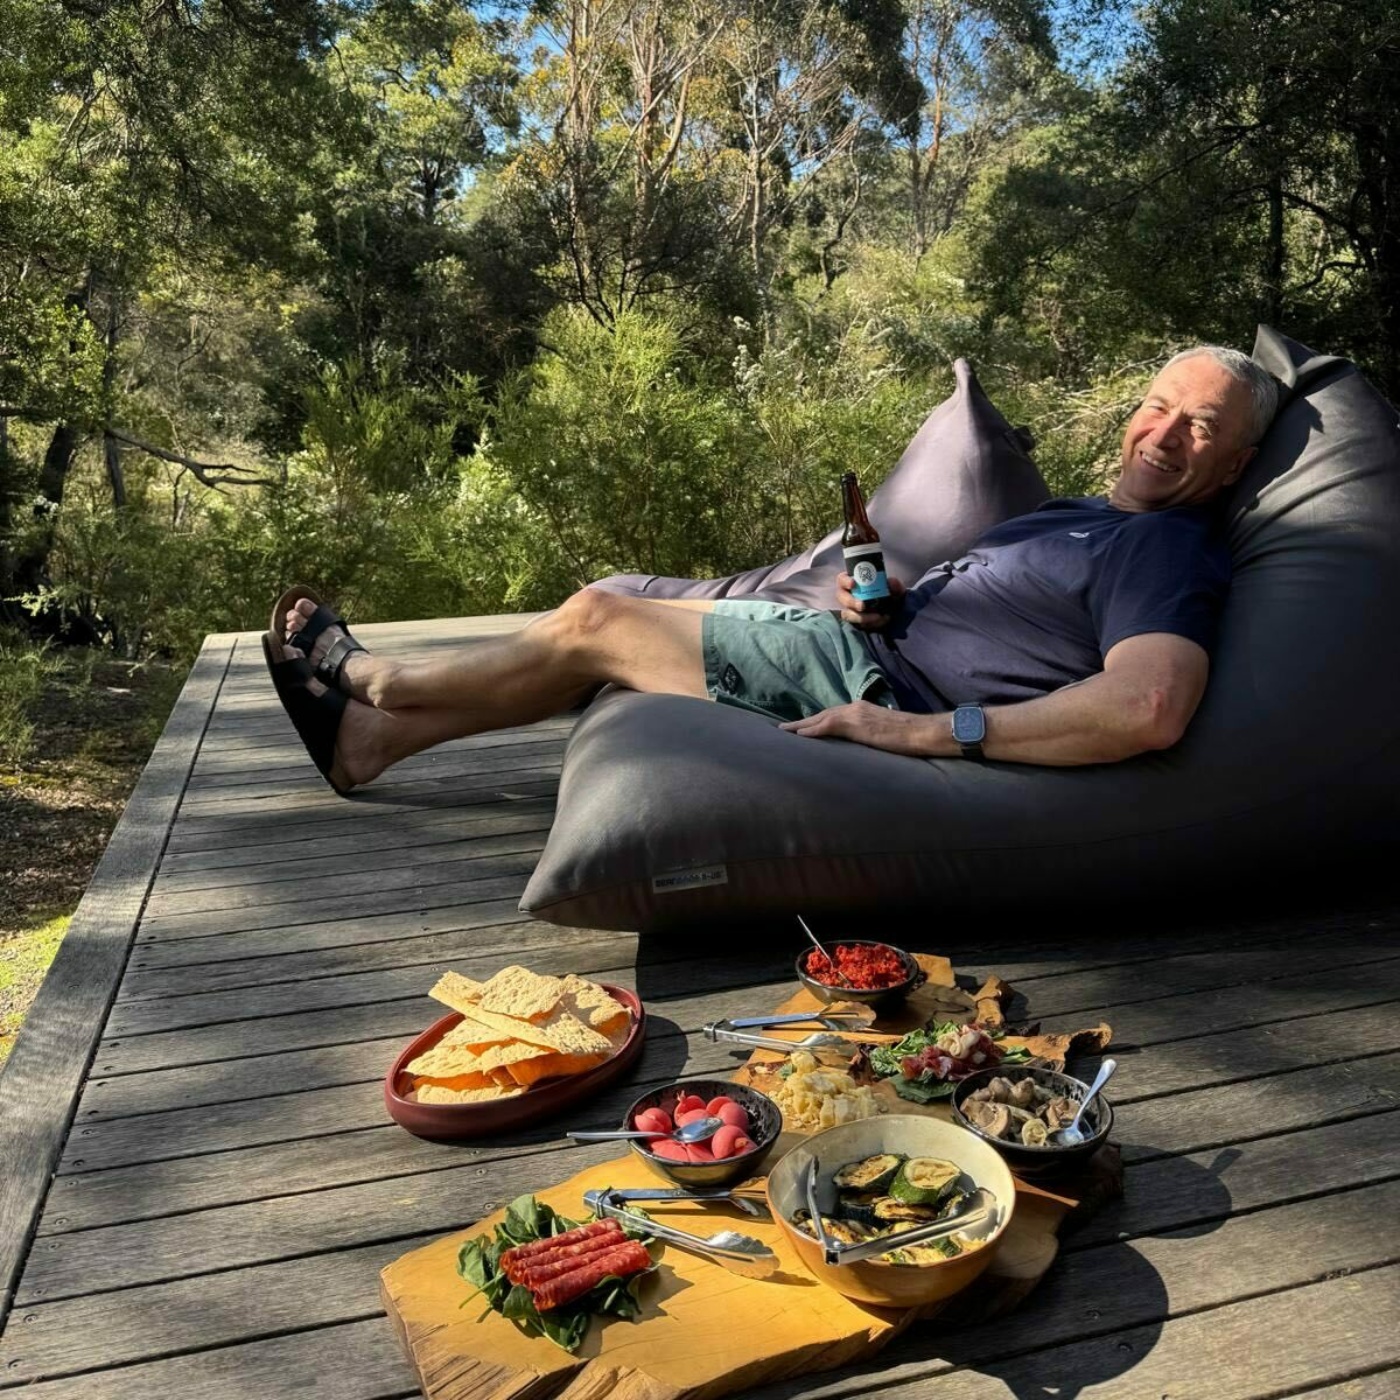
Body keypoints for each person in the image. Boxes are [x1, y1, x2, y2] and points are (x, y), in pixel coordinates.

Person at [262, 346, 1278, 795]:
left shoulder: (1165, 547)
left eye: (1200, 427)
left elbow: (1145, 705)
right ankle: (368, 744)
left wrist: (921, 729)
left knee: (598, 619)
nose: (1163, 433)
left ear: (1232, 464)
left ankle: (375, 681)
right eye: (1156, 404)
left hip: (877, 690)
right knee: (602, 626)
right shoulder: (1081, 514)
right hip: (870, 648)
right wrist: (882, 606)